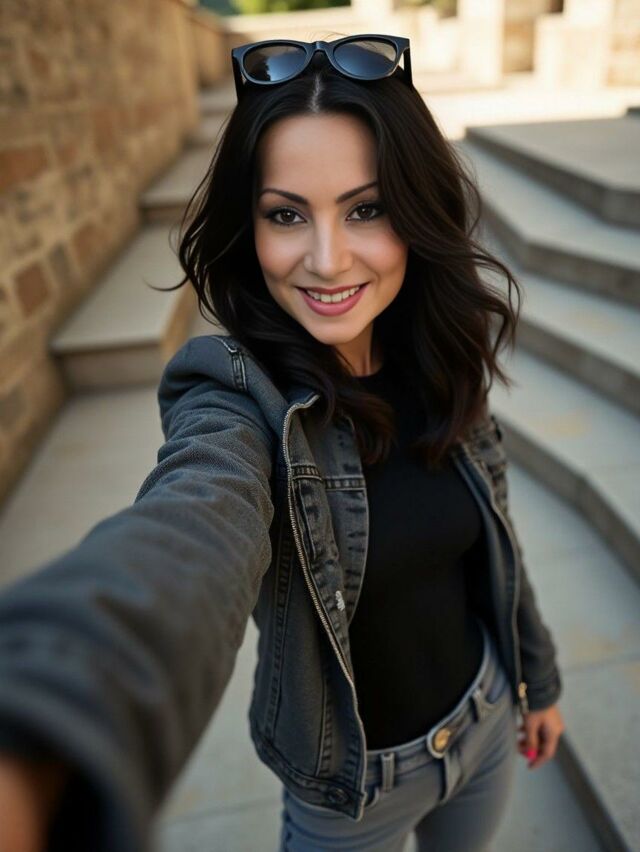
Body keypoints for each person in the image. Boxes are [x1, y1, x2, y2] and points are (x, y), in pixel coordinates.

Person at [0, 33, 565, 852]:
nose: (327, 261)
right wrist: (44, 720)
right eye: (286, 215)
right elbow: (188, 534)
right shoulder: (236, 398)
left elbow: (496, 545)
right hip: (351, 797)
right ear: (249, 223)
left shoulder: (436, 354)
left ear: (416, 210)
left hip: (484, 724)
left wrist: (536, 678)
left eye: (366, 208)